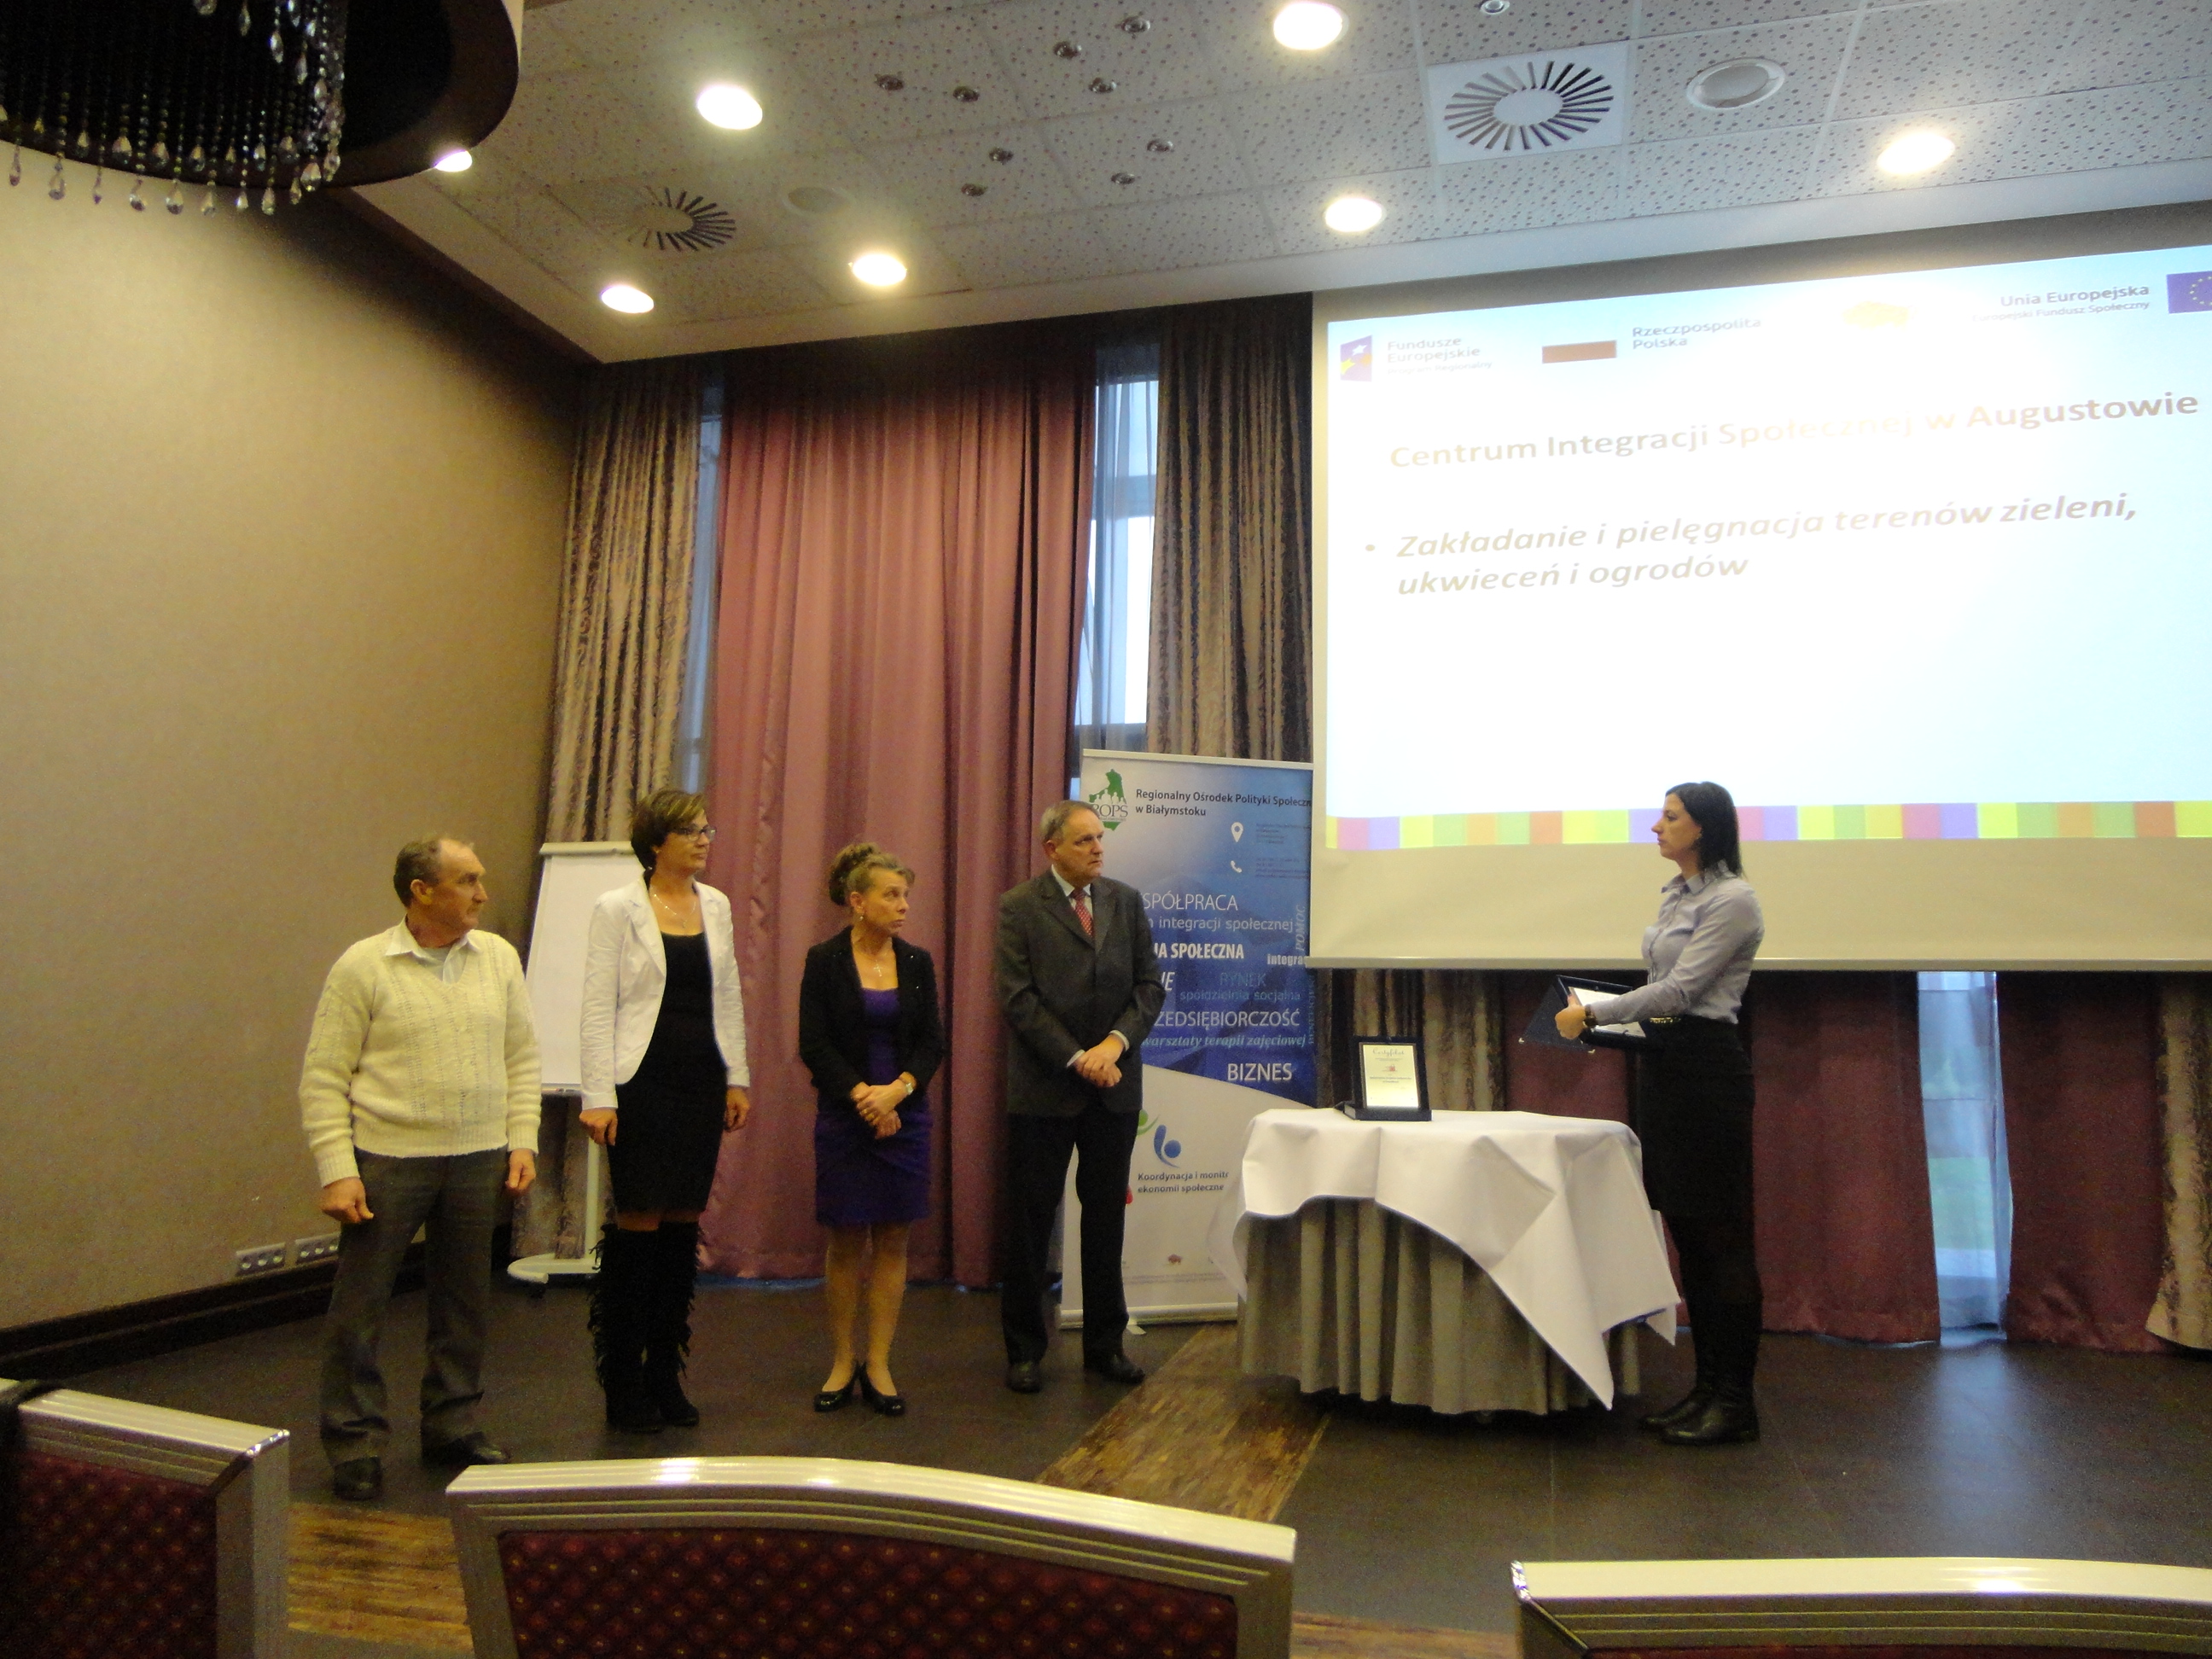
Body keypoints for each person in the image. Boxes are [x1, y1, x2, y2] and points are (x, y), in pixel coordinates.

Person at [300, 838, 540, 1502]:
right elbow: (323, 1077)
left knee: (464, 1304)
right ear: (422, 891)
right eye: (467, 881)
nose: (482, 893)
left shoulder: (498, 959)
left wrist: (521, 1139)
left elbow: (522, 1056)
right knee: (361, 1308)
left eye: (480, 880)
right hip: (388, 1160)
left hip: (477, 1157)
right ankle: (354, 1442)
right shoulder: (364, 966)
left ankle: (452, 1426)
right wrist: (338, 1169)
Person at [1555, 782, 1766, 1446]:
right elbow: (1664, 995)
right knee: (1690, 1238)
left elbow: (1679, 992)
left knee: (1722, 1239)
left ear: (1703, 828)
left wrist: (1594, 1014)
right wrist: (1607, 1019)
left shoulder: (1734, 900)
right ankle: (1705, 1391)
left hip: (1707, 1072)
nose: (1656, 827)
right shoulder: (1678, 894)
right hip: (1669, 1067)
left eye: (1671, 817)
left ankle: (1735, 1402)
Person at [579, 789, 751, 1434]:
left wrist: (737, 1077)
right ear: (656, 843)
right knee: (638, 1225)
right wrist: (598, 1095)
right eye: (691, 831)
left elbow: (727, 994)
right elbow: (598, 1004)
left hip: (701, 1077)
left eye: (707, 829)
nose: (705, 839)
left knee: (682, 1225)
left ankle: (665, 1375)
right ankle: (622, 1381)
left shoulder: (717, 905)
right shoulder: (617, 908)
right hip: (641, 1081)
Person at [994, 801, 1165, 1394]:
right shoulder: (1020, 906)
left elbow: (1149, 986)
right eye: (1084, 840)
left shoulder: (1126, 901)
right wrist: (1076, 1057)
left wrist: (1113, 1045)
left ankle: (1105, 1345)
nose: (1098, 848)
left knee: (1106, 1220)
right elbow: (1018, 999)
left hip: (1113, 1088)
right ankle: (1024, 1350)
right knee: (1031, 1223)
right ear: (1052, 849)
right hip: (1045, 1090)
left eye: (1099, 838)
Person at [797, 843, 945, 1417]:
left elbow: (932, 1042)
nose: (904, 906)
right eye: (892, 895)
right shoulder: (824, 960)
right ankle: (842, 1360)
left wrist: (896, 1093)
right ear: (858, 901)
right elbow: (814, 1044)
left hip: (905, 1116)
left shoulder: (917, 963)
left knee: (892, 1239)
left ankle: (879, 1364)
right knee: (844, 1240)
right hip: (846, 1116)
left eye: (906, 895)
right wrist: (865, 1097)